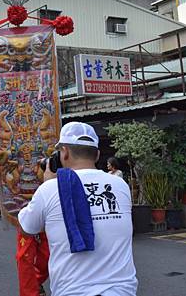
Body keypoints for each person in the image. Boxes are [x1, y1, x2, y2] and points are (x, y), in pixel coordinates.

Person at [18, 122, 137, 296]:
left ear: (64, 152)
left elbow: (26, 228)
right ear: (96, 155)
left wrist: (48, 183)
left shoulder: (51, 188)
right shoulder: (121, 185)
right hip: (123, 291)